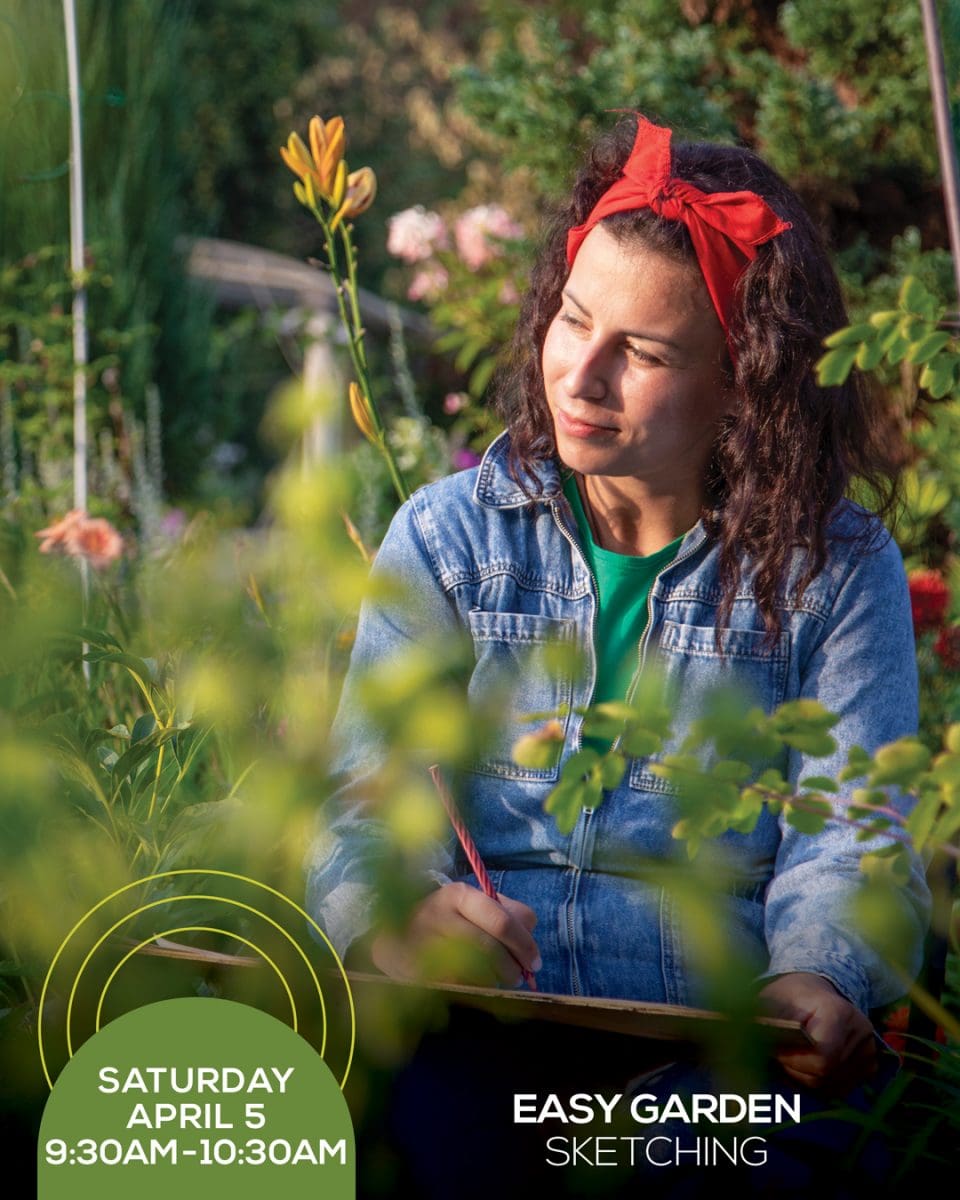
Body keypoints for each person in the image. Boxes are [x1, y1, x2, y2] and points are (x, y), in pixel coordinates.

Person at [307, 113, 930, 1100]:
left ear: (742, 380)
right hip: (470, 1036)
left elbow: (854, 841)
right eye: (573, 319)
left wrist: (815, 974)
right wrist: (397, 917)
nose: (581, 378)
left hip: (712, 1056)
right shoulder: (447, 542)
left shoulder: (838, 572)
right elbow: (359, 815)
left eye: (641, 351)